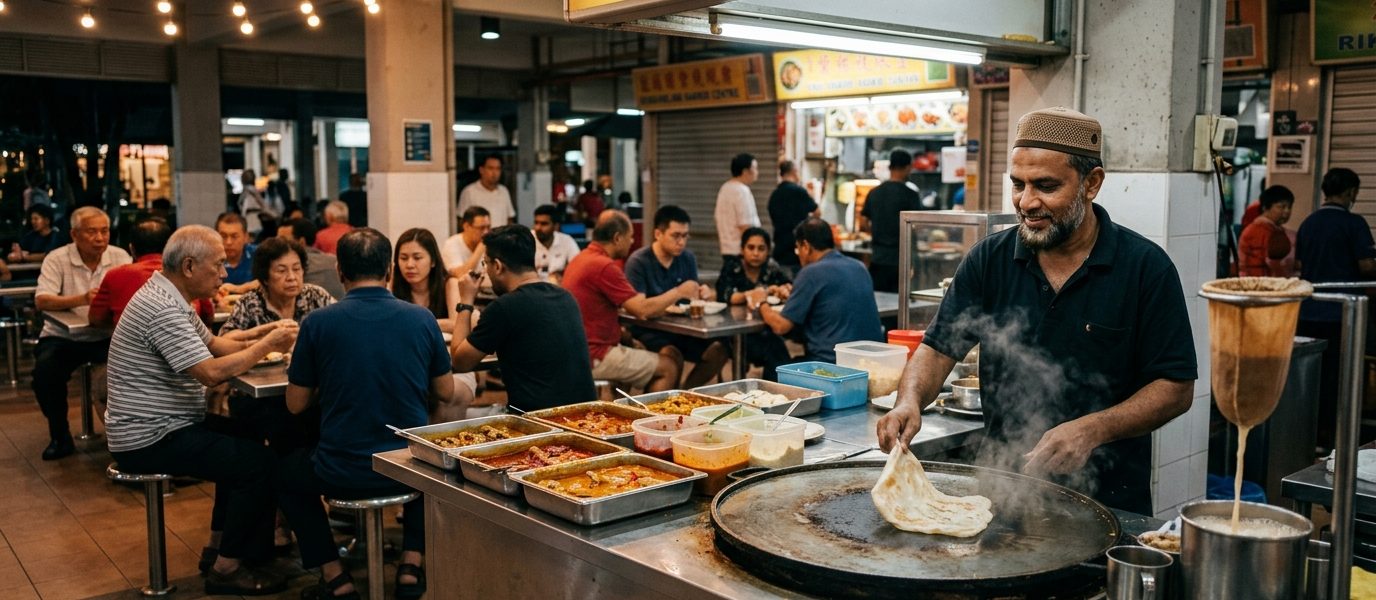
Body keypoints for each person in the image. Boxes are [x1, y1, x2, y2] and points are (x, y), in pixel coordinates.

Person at [875, 107, 1198, 514]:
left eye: (1046, 186)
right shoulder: (989, 260)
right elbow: (938, 350)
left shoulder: (1145, 269)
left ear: (1091, 184)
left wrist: (1093, 429)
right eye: (1018, 185)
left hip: (1108, 500)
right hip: (1001, 491)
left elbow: (1175, 387)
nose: (1027, 202)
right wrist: (909, 401)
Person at [103, 225, 312, 596]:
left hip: (168, 424)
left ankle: (218, 544)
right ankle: (227, 569)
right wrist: (268, 343)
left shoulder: (169, 295)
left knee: (248, 436)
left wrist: (264, 331)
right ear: (188, 266)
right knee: (258, 463)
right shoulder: (162, 308)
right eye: (217, 265)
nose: (225, 273)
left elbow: (216, 343)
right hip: (148, 435)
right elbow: (211, 372)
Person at [285, 228, 458, 600]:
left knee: (286, 472)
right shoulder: (422, 319)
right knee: (429, 455)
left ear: (339, 271)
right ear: (389, 271)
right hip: (407, 470)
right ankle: (411, 565)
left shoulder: (317, 323)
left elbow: (295, 404)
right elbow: (446, 391)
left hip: (338, 472)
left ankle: (335, 576)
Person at [450, 225, 596, 412]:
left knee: (460, 416)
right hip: (587, 418)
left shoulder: (504, 308)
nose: (485, 271)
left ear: (498, 266)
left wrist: (466, 302)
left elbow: (460, 362)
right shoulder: (566, 297)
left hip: (536, 424)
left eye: (485, 264)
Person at [33, 206, 132, 460]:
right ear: (74, 234)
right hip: (64, 337)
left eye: (104, 231)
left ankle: (129, 441)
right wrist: (83, 298)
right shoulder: (57, 258)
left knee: (137, 370)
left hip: (109, 335)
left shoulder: (120, 257)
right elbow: (42, 300)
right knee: (46, 374)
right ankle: (60, 437)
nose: (100, 238)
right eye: (92, 232)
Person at [563, 211, 687, 392]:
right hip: (594, 354)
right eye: (630, 237)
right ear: (617, 238)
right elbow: (642, 309)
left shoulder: (582, 258)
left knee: (641, 349)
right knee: (668, 366)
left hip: (577, 349)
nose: (631, 242)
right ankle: (647, 419)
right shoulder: (604, 266)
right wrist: (680, 291)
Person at [1296, 167, 1373, 452]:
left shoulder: (1307, 223)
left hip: (1307, 314)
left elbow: (1300, 267)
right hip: (1342, 316)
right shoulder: (1354, 224)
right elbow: (1367, 267)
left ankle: (1308, 439)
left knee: (1311, 379)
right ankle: (1333, 442)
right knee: (1339, 379)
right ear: (1351, 192)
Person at [625, 205, 728, 388]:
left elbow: (693, 297)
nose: (681, 242)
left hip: (684, 328)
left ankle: (687, 392)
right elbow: (641, 309)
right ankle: (660, 406)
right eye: (676, 235)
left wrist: (704, 294)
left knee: (721, 348)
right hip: (650, 329)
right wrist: (679, 292)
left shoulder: (687, 258)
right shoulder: (639, 262)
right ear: (658, 234)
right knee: (672, 355)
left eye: (685, 236)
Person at [759, 218, 883, 363]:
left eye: (797, 249)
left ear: (805, 245)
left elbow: (781, 326)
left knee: (773, 358)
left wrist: (760, 301)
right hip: (872, 362)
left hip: (831, 364)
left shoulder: (810, 272)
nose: (798, 255)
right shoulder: (860, 267)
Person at [392, 228, 480, 419]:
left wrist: (420, 324)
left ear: (432, 261)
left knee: (448, 397)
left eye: (417, 257)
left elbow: (459, 323)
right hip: (409, 368)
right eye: (403, 258)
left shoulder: (449, 283)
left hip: (452, 367)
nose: (410, 265)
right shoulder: (393, 287)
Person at [89, 218, 216, 328]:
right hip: (190, 350)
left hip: (136, 354)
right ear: (170, 247)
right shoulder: (187, 271)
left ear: (132, 249)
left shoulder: (115, 275)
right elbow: (208, 316)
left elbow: (96, 319)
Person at [717, 227, 795, 380]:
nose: (756, 253)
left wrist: (782, 290)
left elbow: (788, 287)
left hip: (764, 329)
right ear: (742, 249)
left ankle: (773, 389)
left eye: (761, 248)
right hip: (732, 332)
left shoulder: (771, 268)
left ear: (768, 251)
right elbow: (726, 296)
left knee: (776, 348)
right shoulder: (732, 267)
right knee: (774, 349)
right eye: (750, 247)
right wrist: (753, 294)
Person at [859, 149, 925, 292]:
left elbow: (863, 221)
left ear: (890, 167)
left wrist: (875, 232)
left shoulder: (874, 192)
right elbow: (918, 226)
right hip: (902, 261)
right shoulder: (911, 195)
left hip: (878, 259)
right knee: (900, 306)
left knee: (880, 303)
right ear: (908, 167)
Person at [768, 160, 819, 276]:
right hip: (799, 250)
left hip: (780, 249)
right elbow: (817, 212)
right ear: (795, 172)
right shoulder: (800, 192)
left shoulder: (774, 195)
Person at [714, 153, 762, 271]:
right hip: (742, 253)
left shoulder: (725, 188)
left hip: (727, 250)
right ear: (746, 171)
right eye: (755, 168)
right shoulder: (741, 191)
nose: (757, 172)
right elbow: (745, 225)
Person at [278, 218, 346, 299]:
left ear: (301, 241)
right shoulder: (335, 261)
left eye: (282, 240)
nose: (276, 244)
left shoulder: (287, 268)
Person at [1237, 185, 1296, 277]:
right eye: (1281, 207)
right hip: (1258, 285)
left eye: (1289, 207)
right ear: (1265, 207)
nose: (1287, 211)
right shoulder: (1257, 230)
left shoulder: (1275, 229)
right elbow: (1263, 265)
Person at [458, 154, 516, 225]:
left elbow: (509, 218)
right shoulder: (469, 192)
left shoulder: (504, 191)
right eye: (490, 168)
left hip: (501, 235)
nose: (494, 173)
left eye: (498, 168)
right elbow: (462, 220)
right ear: (481, 170)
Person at [533, 204, 581, 282]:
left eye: (544, 224)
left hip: (559, 289)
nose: (538, 228)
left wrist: (563, 273)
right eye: (536, 223)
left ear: (556, 226)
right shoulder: (527, 239)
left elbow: (578, 267)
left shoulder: (567, 241)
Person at [442, 206, 492, 280]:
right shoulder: (451, 244)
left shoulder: (489, 244)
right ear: (466, 226)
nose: (486, 232)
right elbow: (460, 275)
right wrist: (480, 249)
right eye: (481, 228)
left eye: (488, 227)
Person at [216, 212, 258, 294]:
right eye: (224, 236)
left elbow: (271, 282)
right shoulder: (207, 258)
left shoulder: (259, 254)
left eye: (234, 236)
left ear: (246, 237)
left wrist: (239, 289)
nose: (229, 242)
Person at [237, 169, 271, 234]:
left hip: (251, 221)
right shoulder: (253, 191)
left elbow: (241, 205)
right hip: (255, 222)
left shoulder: (248, 191)